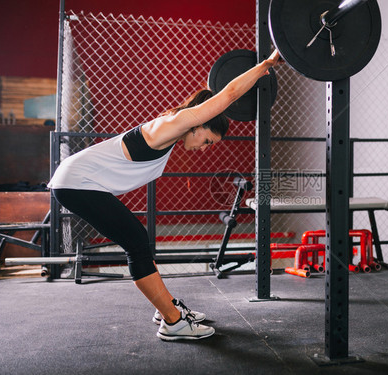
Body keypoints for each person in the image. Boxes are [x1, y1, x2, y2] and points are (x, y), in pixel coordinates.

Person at [48, 50, 280, 341]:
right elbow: (229, 94)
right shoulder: (174, 124)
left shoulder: (169, 131)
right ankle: (173, 322)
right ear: (199, 122)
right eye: (207, 140)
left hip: (78, 182)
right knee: (135, 239)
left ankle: (167, 307)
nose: (205, 148)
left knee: (138, 240)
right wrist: (265, 66)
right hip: (75, 182)